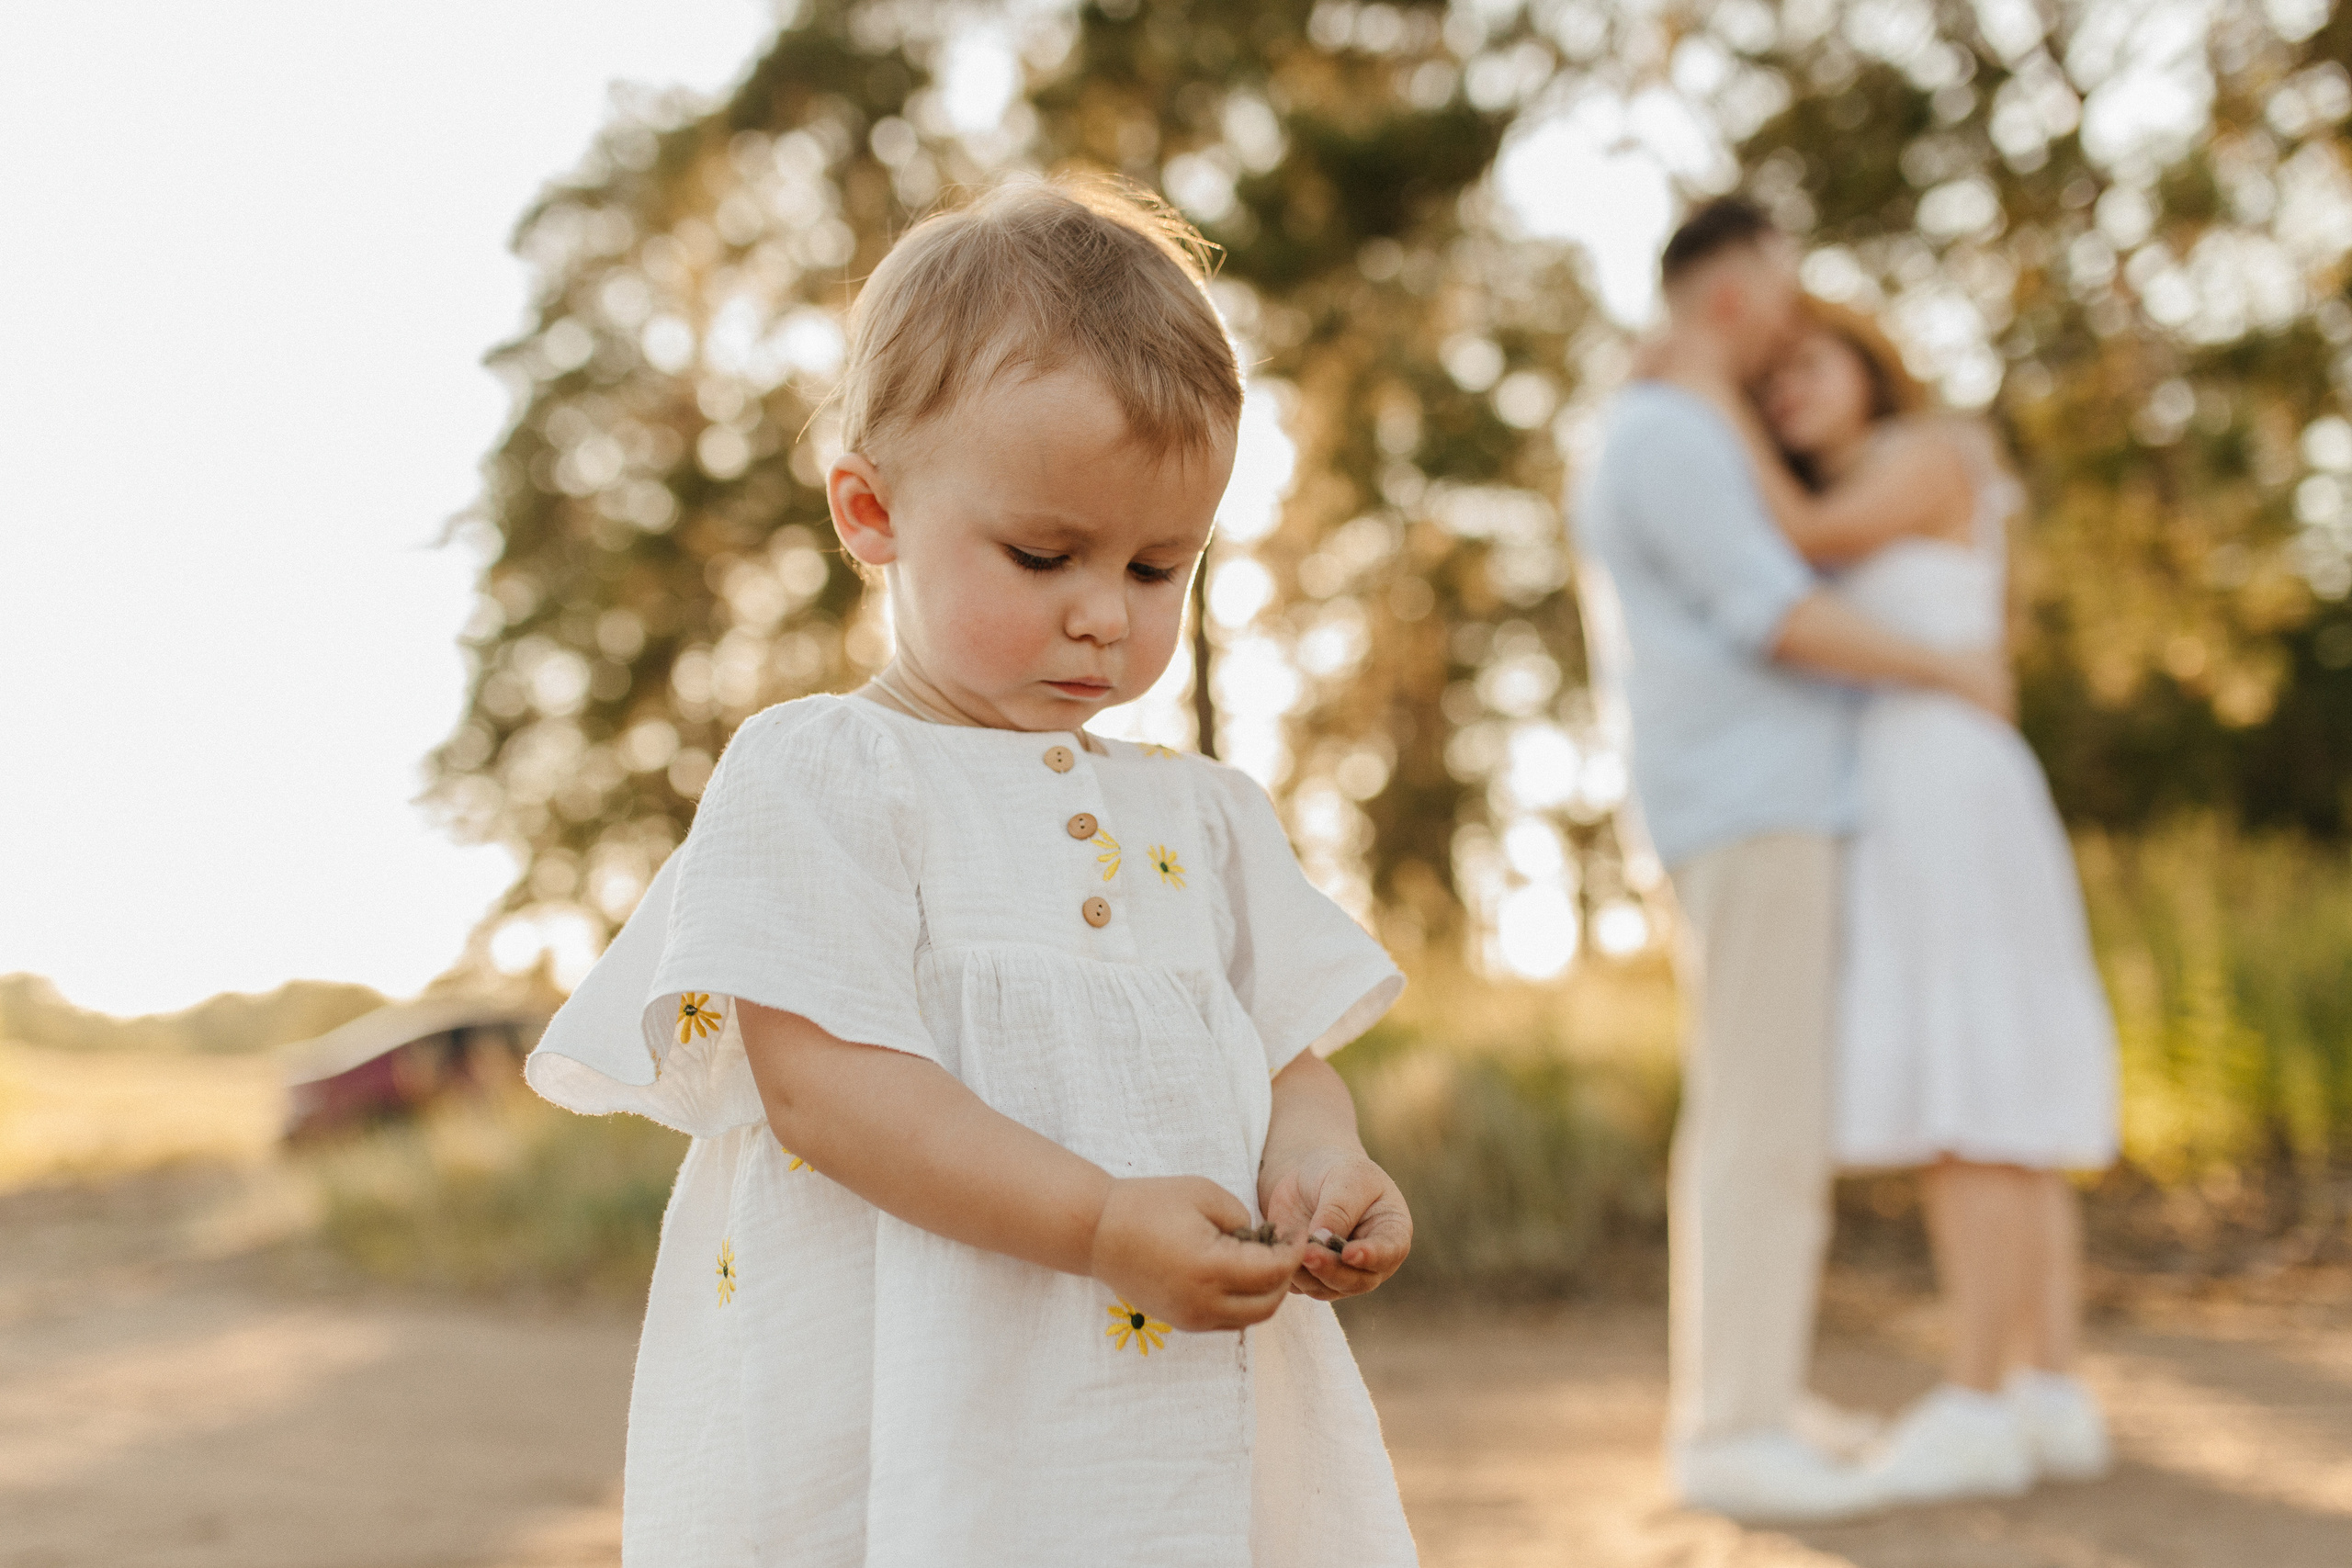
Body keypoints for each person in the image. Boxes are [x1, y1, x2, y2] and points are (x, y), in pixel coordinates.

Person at [526, 176, 1419, 1566]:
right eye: (1044, 553)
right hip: (912, 1402)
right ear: (870, 510)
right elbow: (828, 1086)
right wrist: (1099, 1222)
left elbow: (1287, 1059)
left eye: (1158, 568)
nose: (1102, 614)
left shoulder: (1205, 819)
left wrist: (1318, 1165)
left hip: (1161, 1407)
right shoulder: (825, 775)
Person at [1574, 197, 2013, 1523]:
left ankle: (1754, 1393)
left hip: (1754, 801)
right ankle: (1733, 1430)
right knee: (1758, 1121)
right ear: (1733, 295)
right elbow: (1775, 613)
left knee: (1766, 1111)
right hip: (1751, 802)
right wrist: (1947, 668)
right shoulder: (1670, 433)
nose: (1794, 312)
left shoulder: (1675, 427)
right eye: (1782, 283)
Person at [1679, 296, 2120, 1504]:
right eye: (1769, 383)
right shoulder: (1911, 469)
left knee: (1972, 1095)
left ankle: (1977, 1400)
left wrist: (1709, 394)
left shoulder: (1931, 451)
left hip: (1941, 786)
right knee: (2003, 1089)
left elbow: (1813, 537)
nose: (1786, 391)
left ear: (1872, 364)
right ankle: (2049, 1393)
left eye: (1808, 363)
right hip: (1937, 784)